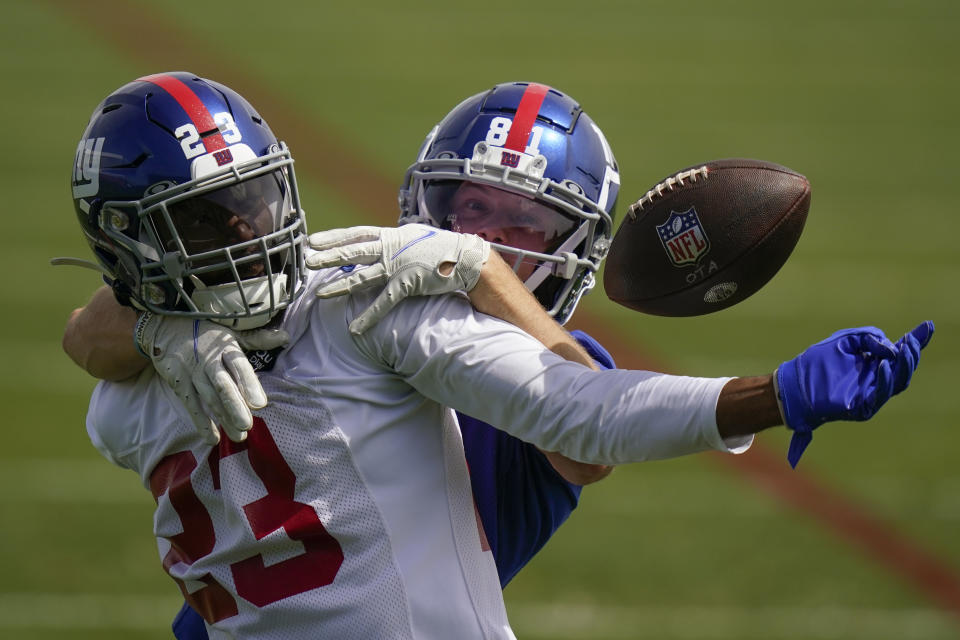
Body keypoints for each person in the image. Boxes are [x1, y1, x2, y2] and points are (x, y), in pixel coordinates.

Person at [63, 74, 933, 638]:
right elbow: (95, 327)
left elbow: (582, 427)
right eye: (466, 209)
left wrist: (152, 326)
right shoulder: (371, 308)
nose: (484, 239)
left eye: (522, 230)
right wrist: (772, 394)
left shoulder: (126, 404)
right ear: (420, 197)